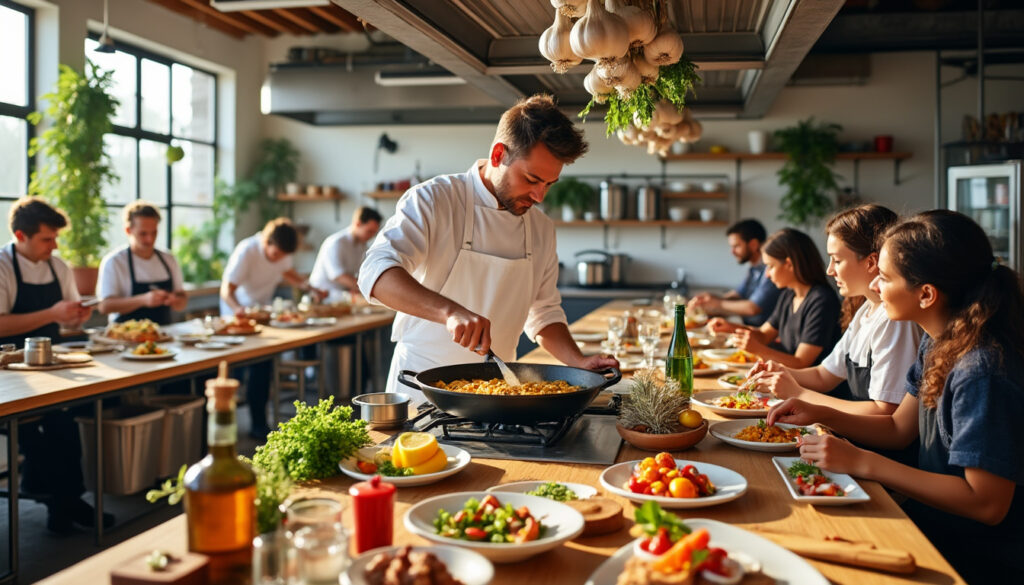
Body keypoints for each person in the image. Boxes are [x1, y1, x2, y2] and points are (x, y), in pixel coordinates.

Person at [767, 210, 1023, 583]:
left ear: (926, 294)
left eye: (885, 278)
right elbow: (899, 429)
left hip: (974, 558)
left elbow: (986, 504)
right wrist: (818, 412)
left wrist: (862, 461)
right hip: (930, 526)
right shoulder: (937, 344)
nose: (875, 285)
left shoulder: (981, 370)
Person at [357, 94, 617, 401]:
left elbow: (544, 312)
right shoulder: (434, 200)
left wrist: (578, 361)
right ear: (497, 155)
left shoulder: (541, 229)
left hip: (498, 394)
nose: (539, 196)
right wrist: (449, 312)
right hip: (420, 390)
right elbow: (375, 273)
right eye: (531, 179)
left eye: (549, 184)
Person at [0, 197, 109, 533]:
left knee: (66, 423)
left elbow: (67, 324)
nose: (55, 246)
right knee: (37, 431)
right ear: (21, 236)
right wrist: (51, 313)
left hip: (53, 367)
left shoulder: (57, 267)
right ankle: (66, 504)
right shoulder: (3, 266)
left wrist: (77, 316)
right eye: (47, 239)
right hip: (10, 373)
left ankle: (60, 505)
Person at [749, 205, 921, 415]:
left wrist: (799, 394)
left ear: (871, 262)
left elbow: (884, 411)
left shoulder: (894, 321)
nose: (830, 270)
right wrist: (778, 372)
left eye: (837, 260)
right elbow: (823, 375)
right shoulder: (865, 310)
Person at [220, 218, 325, 438]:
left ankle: (258, 424)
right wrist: (238, 309)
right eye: (276, 254)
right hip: (237, 318)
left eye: (283, 255)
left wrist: (310, 287)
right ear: (266, 241)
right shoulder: (247, 251)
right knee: (240, 374)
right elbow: (226, 290)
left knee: (262, 366)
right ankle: (227, 426)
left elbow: (287, 272)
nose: (278, 258)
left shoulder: (282, 253)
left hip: (262, 318)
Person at [707, 228, 840, 368]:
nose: (767, 274)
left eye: (770, 266)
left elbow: (801, 363)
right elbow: (763, 335)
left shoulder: (822, 300)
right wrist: (730, 328)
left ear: (789, 264)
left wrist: (758, 349)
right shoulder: (789, 294)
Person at [97, 201, 187, 324]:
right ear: (128, 230)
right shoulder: (114, 262)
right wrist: (143, 300)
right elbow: (104, 306)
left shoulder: (168, 259)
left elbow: (182, 300)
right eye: (143, 234)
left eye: (154, 232)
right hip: (125, 333)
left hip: (164, 331)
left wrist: (174, 300)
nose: (150, 239)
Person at [688, 219, 781, 326]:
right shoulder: (753, 268)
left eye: (736, 246)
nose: (732, 252)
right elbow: (738, 294)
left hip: (761, 331)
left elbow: (753, 308)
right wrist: (709, 299)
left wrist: (717, 303)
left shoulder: (770, 270)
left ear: (753, 244)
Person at [309, 206, 383, 303]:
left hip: (341, 297)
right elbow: (339, 276)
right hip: (320, 298)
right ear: (357, 224)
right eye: (369, 231)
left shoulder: (362, 247)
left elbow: (363, 273)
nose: (371, 236)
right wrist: (370, 289)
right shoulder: (336, 243)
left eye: (374, 233)